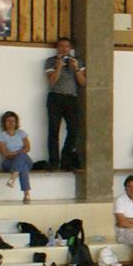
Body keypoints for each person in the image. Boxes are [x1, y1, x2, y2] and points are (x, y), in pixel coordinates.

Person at [43, 37, 86, 170]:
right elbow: (52, 81)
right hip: (55, 97)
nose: (64, 49)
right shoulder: (50, 61)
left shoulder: (77, 61)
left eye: (67, 46)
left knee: (73, 130)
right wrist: (59, 66)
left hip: (71, 98)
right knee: (53, 131)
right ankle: (54, 162)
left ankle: (66, 160)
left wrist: (76, 68)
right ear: (57, 48)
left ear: (70, 48)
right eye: (61, 46)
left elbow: (82, 82)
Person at [0, 111, 34, 203]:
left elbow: (27, 148)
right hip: (9, 161)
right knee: (23, 167)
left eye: (13, 121)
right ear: (4, 122)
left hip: (24, 158)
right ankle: (26, 194)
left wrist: (17, 153)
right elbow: (4, 153)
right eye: (8, 121)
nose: (11, 123)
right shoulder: (1, 135)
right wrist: (13, 155)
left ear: (16, 122)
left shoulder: (21, 133)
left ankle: (13, 177)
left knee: (22, 155)